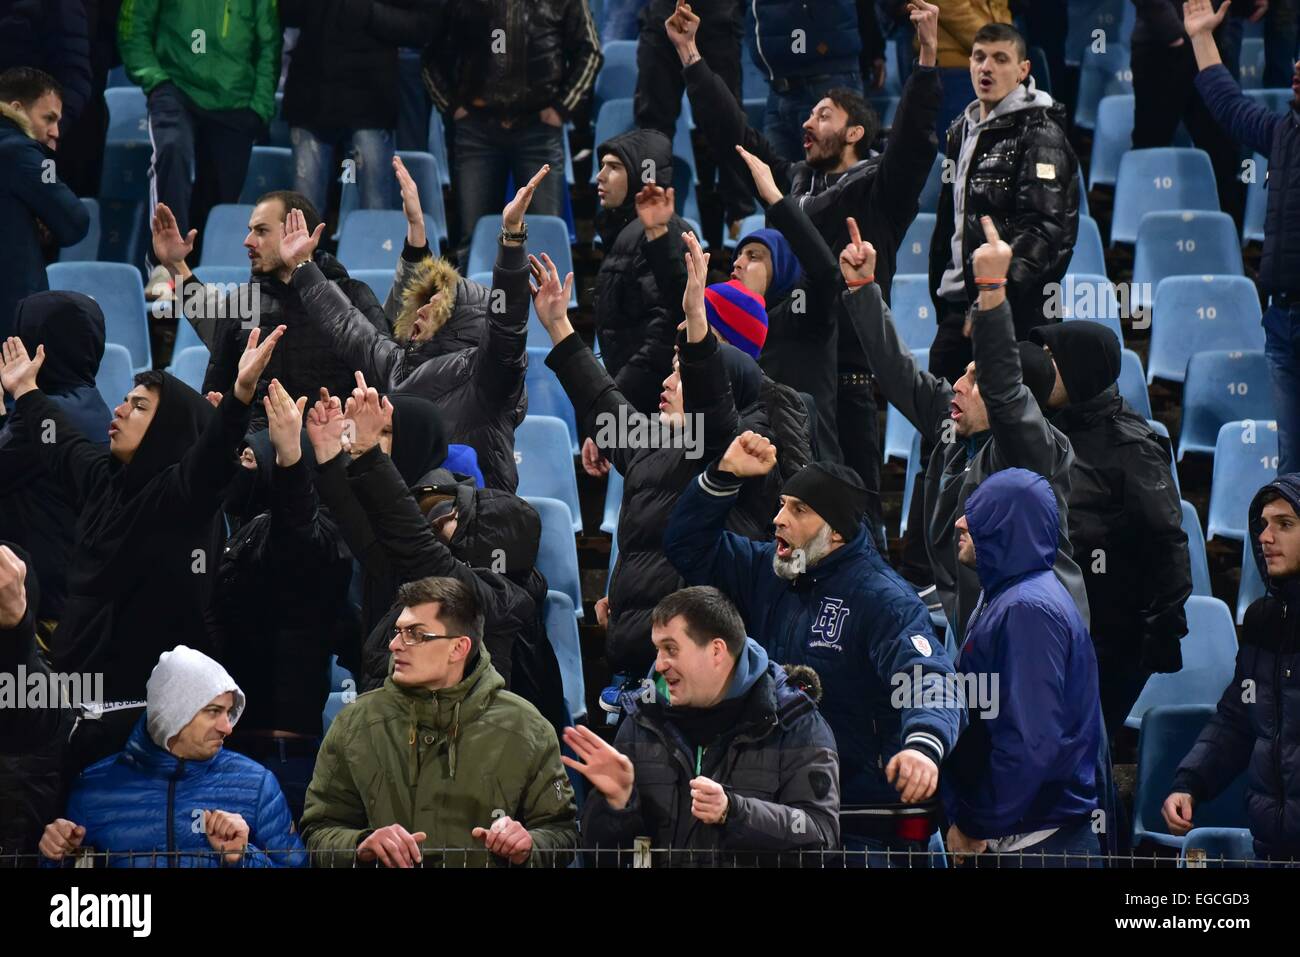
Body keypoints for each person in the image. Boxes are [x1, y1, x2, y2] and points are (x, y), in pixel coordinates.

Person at [666, 0, 942, 516]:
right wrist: (691, 58)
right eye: (809, 116)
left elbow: (911, 145)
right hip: (788, 362)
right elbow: (735, 139)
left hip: (851, 370)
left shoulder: (881, 188)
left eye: (824, 115)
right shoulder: (791, 181)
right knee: (787, 506)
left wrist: (926, 61)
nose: (808, 123)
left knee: (853, 510)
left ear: (855, 132)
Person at [664, 433, 963, 865]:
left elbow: (929, 675)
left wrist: (923, 744)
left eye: (798, 510)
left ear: (836, 531)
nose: (778, 520)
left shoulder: (883, 599)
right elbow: (685, 545)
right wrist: (723, 474)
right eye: (782, 504)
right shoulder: (771, 571)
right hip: (777, 816)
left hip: (863, 825)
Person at [536, 234, 810, 693]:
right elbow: (603, 403)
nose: (666, 379)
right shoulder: (656, 439)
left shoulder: (736, 448)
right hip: (630, 669)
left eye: (680, 370)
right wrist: (559, 327)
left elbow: (713, 406)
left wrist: (696, 318)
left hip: (696, 675)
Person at [0, 323, 284, 762]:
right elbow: (57, 441)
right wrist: (26, 392)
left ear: (167, 427)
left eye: (138, 407)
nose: (119, 409)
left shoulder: (179, 499)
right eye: (126, 400)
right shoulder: (105, 478)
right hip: (76, 696)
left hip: (143, 720)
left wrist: (239, 398)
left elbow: (208, 464)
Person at [840, 214, 1089, 644]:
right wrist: (864, 291)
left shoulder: (1030, 451)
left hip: (1030, 629)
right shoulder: (957, 432)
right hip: (969, 623)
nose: (957, 384)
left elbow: (1006, 389)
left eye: (974, 378)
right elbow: (899, 375)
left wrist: (992, 292)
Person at [285, 162, 545, 492]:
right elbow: (347, 327)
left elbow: (508, 324)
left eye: (432, 301)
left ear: (459, 316)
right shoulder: (398, 364)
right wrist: (304, 268)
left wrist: (511, 238)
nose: (418, 310)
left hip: (472, 519)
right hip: (407, 509)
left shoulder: (489, 373)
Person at [299, 576, 578, 867]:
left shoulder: (527, 727)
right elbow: (319, 830)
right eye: (397, 632)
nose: (394, 645)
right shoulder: (354, 724)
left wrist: (530, 845)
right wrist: (360, 845)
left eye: (415, 634)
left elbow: (562, 831)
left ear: (458, 648)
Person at [568, 586, 840, 865]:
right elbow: (598, 853)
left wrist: (735, 812)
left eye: (670, 649)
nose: (659, 665)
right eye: (657, 649)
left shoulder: (795, 722)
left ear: (716, 651)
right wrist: (617, 804)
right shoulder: (642, 718)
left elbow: (820, 834)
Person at [1029, 319, 1192, 740]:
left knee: (1079, 752)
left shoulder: (1132, 447)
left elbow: (1167, 541)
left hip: (1110, 638)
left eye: (1052, 361)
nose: (1041, 370)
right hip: (1054, 627)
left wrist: (1157, 634)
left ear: (1081, 368)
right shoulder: (1045, 429)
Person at [942, 468, 1102, 868]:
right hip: (1024, 832)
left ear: (1007, 527)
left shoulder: (1028, 609)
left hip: (1034, 843)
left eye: (978, 515)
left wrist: (977, 823)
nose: (961, 522)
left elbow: (1029, 739)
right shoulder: (1010, 594)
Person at [214, 380, 358, 824]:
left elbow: (295, 541)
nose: (241, 472)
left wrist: (290, 457)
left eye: (250, 460)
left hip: (281, 756)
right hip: (227, 749)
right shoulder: (244, 528)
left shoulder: (325, 537)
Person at [37, 645, 305, 867]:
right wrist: (54, 855)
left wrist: (243, 858)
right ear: (173, 715)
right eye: (213, 711)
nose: (228, 727)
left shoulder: (256, 785)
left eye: (228, 712)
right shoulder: (93, 787)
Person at [151, 190, 388, 425]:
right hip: (257, 453)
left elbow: (385, 382)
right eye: (250, 231)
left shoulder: (353, 295)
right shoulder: (242, 302)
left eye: (261, 231)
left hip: (337, 449)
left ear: (297, 233)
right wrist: (175, 266)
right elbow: (217, 387)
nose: (248, 241)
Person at [1183, 0, 1300, 473]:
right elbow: (1229, 105)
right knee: (1291, 469)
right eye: (1297, 59)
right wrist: (1200, 37)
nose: (1296, 67)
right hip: (1281, 321)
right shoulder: (1284, 133)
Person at [928, 20, 1079, 377]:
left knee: (1006, 425)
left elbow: (1043, 229)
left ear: (1023, 69)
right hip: (959, 306)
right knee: (943, 425)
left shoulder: (1041, 134)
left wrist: (993, 295)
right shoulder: (960, 129)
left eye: (1000, 59)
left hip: (1013, 312)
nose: (987, 67)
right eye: (979, 57)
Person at [1162, 476, 1300, 863]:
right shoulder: (1263, 622)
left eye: (1284, 525)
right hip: (1271, 849)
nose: (1266, 537)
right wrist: (1191, 783)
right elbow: (1239, 718)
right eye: (1264, 524)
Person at [118, 0, 281, 288]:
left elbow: (269, 43)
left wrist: (259, 108)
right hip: (174, 86)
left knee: (221, 189)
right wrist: (155, 80)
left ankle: (201, 278)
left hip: (236, 98)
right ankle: (165, 268)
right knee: (172, 150)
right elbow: (134, 27)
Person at [422, 0, 601, 260]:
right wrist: (451, 107)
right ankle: (476, 301)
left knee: (543, 238)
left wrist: (563, 107)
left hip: (538, 127)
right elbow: (430, 55)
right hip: (477, 129)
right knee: (474, 240)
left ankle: (543, 301)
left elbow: (591, 52)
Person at [0, 292, 111, 626]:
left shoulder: (44, 417)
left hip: (42, 610)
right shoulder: (92, 404)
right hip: (74, 596)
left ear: (41, 346)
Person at [279, 0, 437, 214]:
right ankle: (308, 249)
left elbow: (421, 28)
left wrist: (369, 11)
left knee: (374, 208)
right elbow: (285, 11)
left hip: (371, 102)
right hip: (311, 97)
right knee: (303, 213)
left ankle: (370, 248)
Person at [1131, 0, 1264, 231]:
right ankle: (1140, 242)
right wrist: (1171, 30)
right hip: (1163, 47)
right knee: (1151, 146)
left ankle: (1228, 243)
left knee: (1225, 151)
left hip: (1215, 43)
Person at [592, 130, 691, 417]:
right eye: (602, 166)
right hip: (640, 399)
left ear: (641, 175)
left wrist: (618, 400)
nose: (600, 176)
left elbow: (665, 333)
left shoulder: (661, 235)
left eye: (614, 167)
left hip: (652, 403)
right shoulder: (627, 233)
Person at [639, 2, 755, 237]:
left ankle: (740, 221)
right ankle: (650, 214)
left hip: (718, 18)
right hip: (663, 14)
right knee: (652, 126)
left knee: (728, 121)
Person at [0, 67, 89, 340]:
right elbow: (75, 220)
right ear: (18, 109)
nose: (55, 132)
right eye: (49, 118)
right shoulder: (21, 151)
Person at [748, 0, 887, 163]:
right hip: (778, 87)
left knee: (838, 180)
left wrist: (874, 49)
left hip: (825, 79)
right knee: (781, 182)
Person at [931, 0, 1012, 136]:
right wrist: (1002, 47)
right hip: (953, 69)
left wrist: (1007, 43)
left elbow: (1000, 7)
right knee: (954, 146)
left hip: (996, 66)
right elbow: (955, 12)